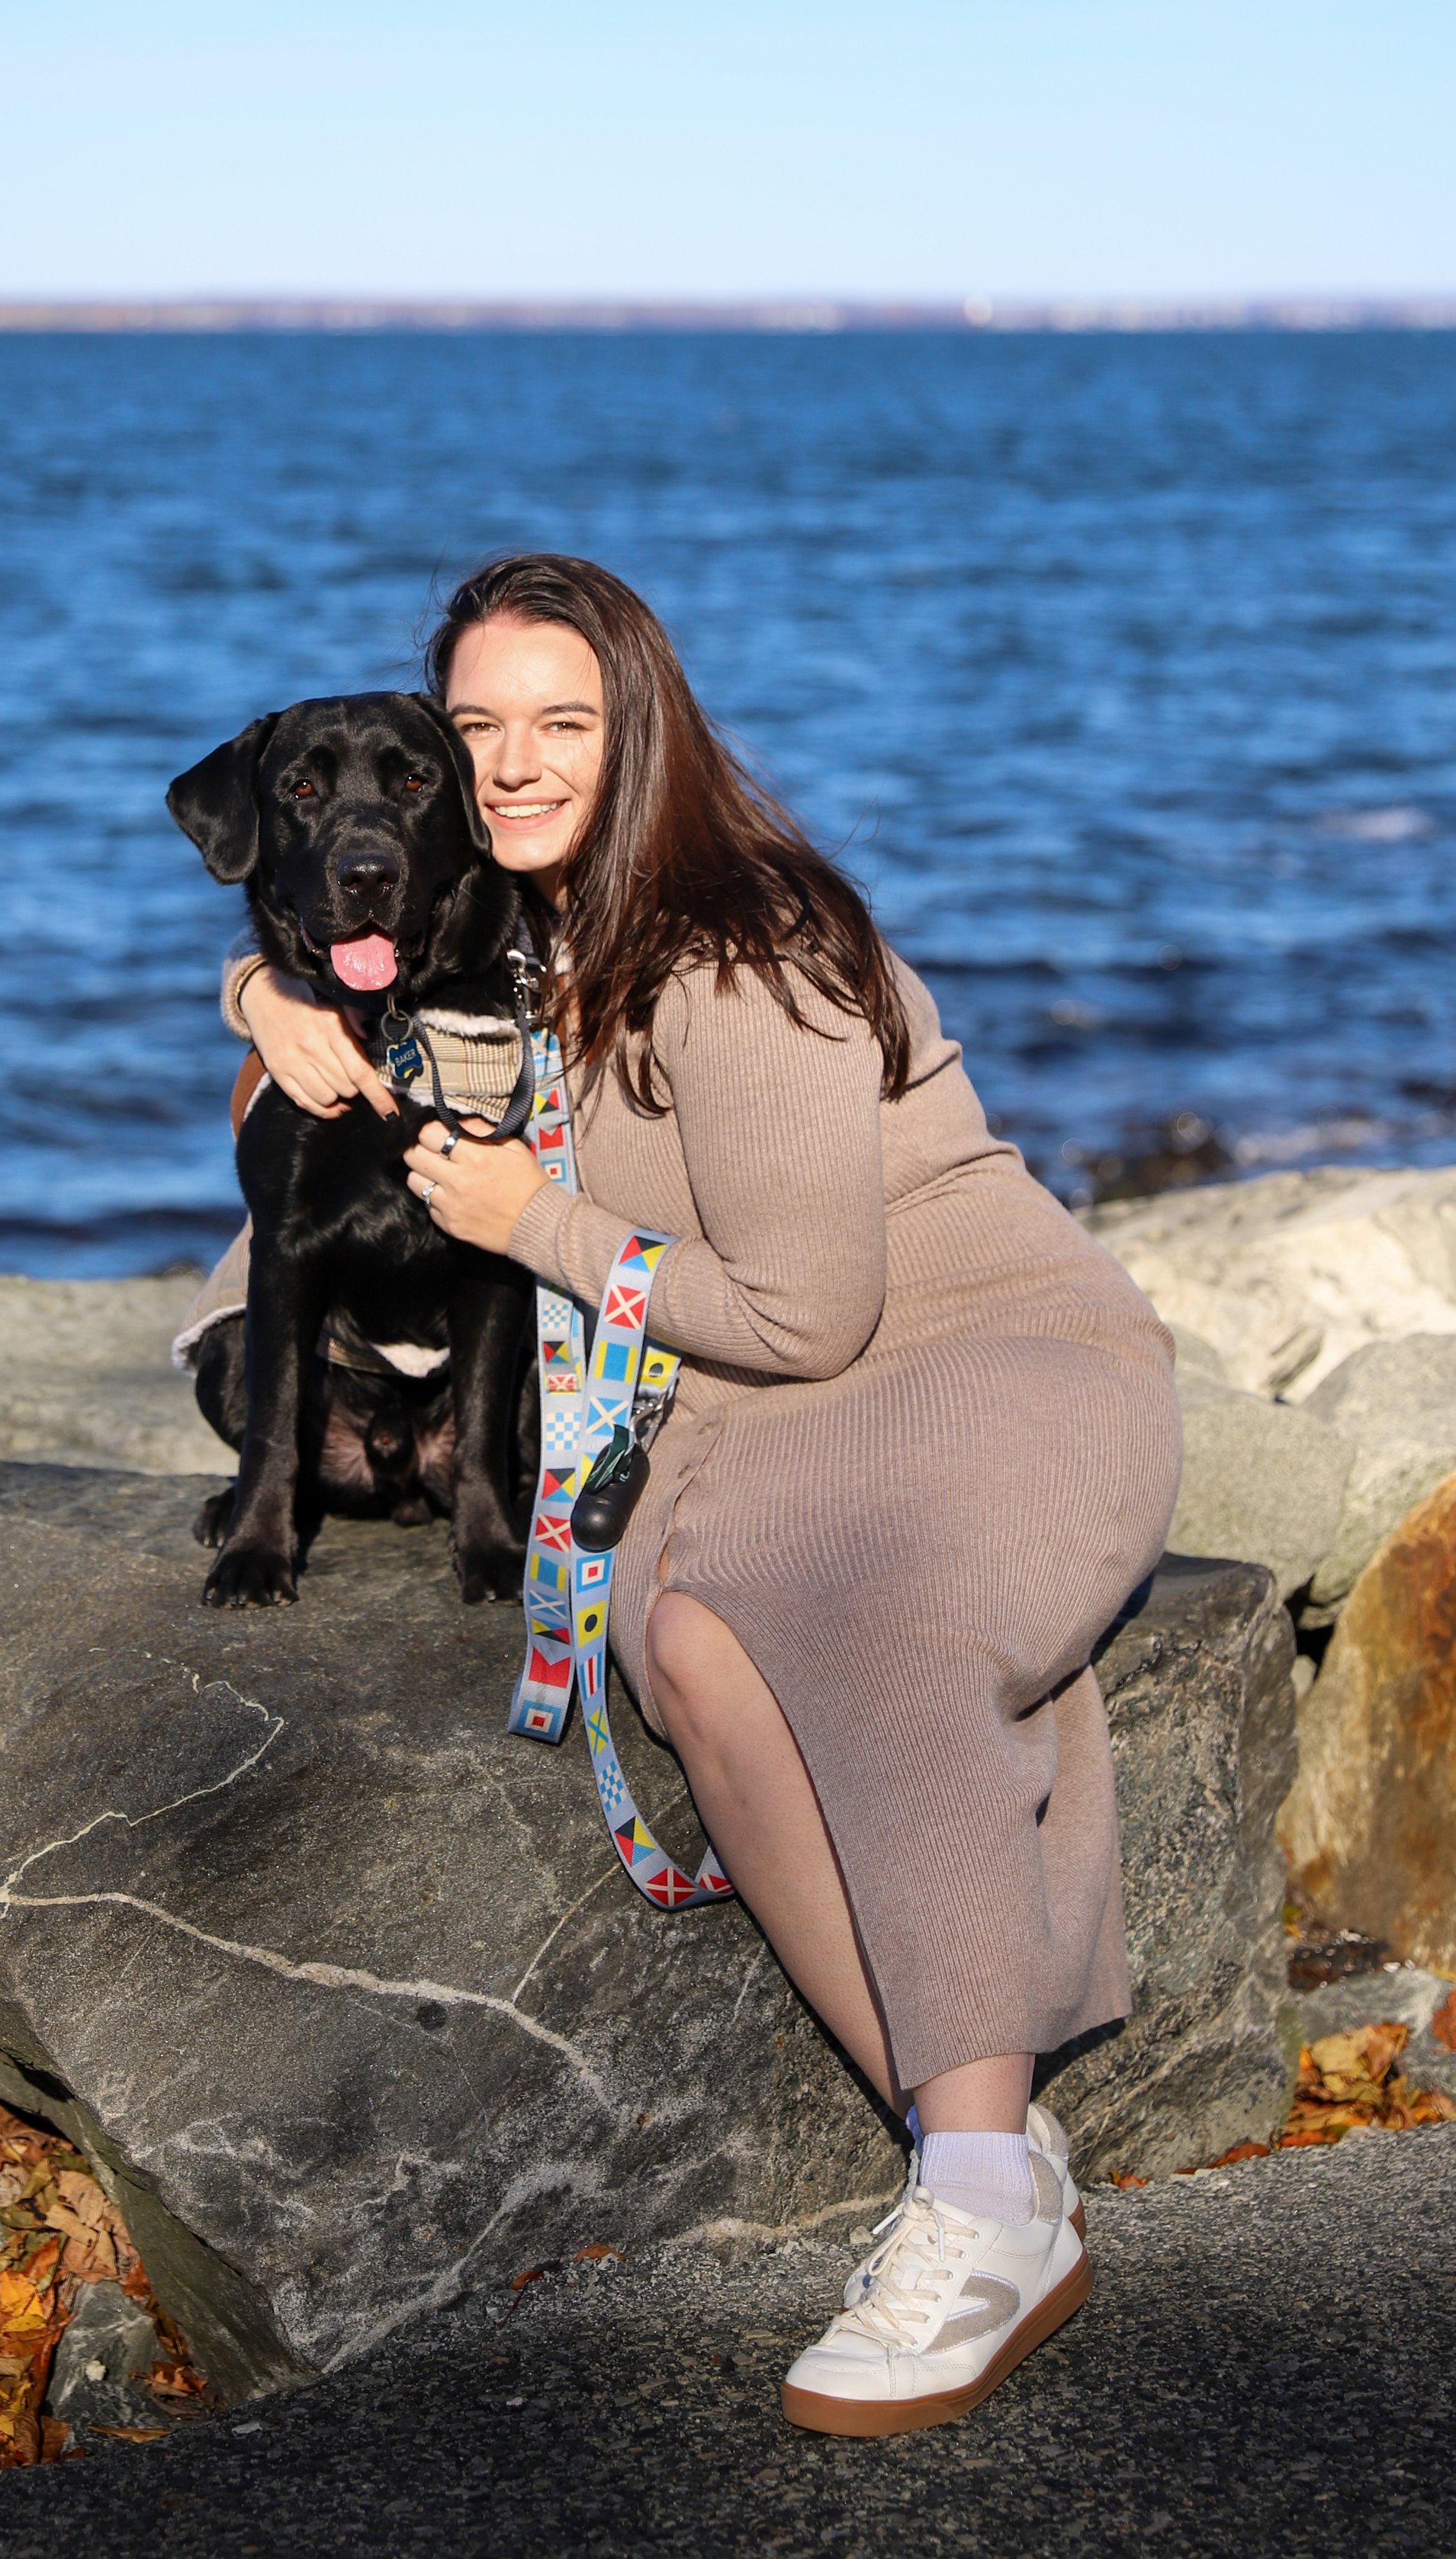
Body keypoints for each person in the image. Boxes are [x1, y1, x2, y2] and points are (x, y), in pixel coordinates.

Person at [209, 553, 1180, 2435]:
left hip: (965, 1339)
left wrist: (534, 1220)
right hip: (715, 1370)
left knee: (876, 1618)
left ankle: (978, 2205)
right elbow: (338, 952)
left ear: (635, 726)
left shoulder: (746, 946)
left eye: (556, 725)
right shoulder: (510, 916)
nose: (506, 766)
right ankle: (992, 2139)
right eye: (474, 731)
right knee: (691, 1645)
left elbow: (812, 1314)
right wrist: (256, 991)